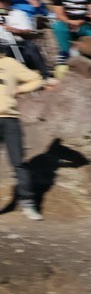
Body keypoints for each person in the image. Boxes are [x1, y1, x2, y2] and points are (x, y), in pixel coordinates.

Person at [0, 45, 43, 220]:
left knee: (18, 162)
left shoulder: (9, 63)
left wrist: (19, 89)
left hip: (10, 119)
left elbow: (36, 79)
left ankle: (28, 203)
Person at [0, 0, 52, 80]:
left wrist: (12, 29)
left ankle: (46, 76)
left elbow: (28, 32)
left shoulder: (17, 14)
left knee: (29, 46)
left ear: (8, 0)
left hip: (14, 46)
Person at [50, 0, 91, 75]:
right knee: (58, 27)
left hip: (84, 22)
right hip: (67, 22)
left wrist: (81, 21)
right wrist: (68, 21)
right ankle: (65, 54)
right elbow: (58, 12)